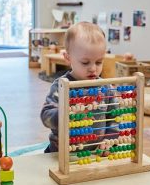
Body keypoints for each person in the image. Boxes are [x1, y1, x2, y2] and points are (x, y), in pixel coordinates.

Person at [41, 22, 118, 153]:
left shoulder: (106, 88)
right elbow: (46, 117)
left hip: (95, 153)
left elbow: (115, 118)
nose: (93, 68)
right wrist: (66, 114)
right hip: (61, 153)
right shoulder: (61, 86)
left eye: (99, 62)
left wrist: (109, 140)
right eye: (85, 62)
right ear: (68, 58)